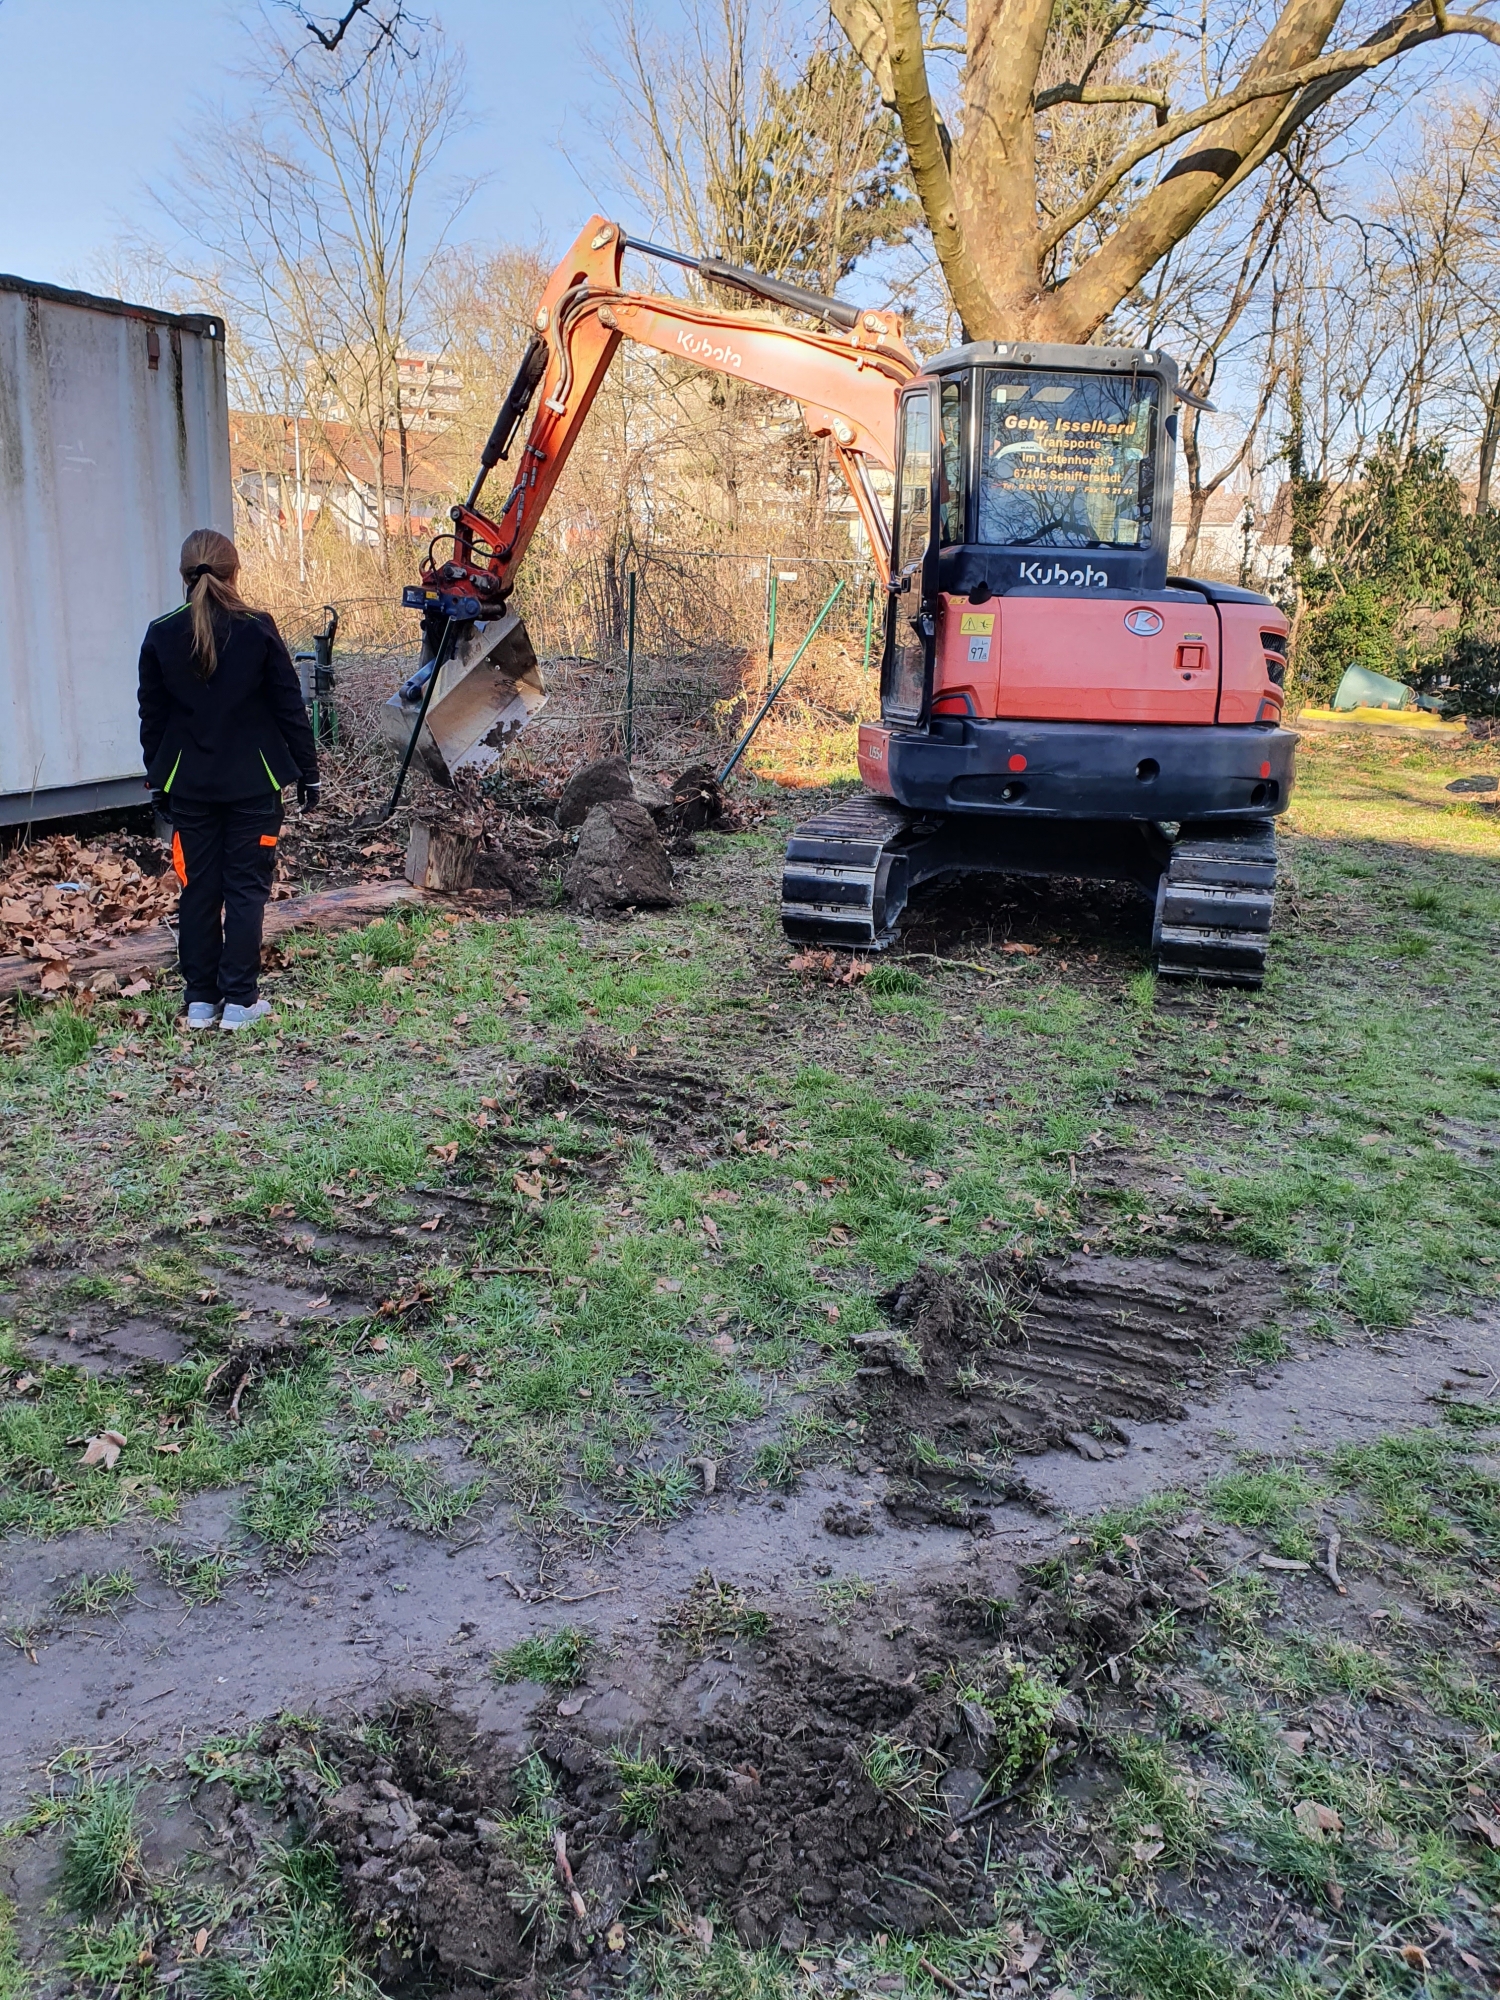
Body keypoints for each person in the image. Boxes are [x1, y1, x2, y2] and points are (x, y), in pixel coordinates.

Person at [138, 529, 320, 1031]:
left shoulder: (160, 633)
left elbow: (152, 719)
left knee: (197, 889)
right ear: (234, 572)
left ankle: (201, 1001)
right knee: (245, 888)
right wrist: (309, 773)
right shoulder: (258, 629)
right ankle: (240, 1002)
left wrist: (159, 780)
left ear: (184, 574)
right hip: (254, 784)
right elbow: (289, 707)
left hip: (189, 786)